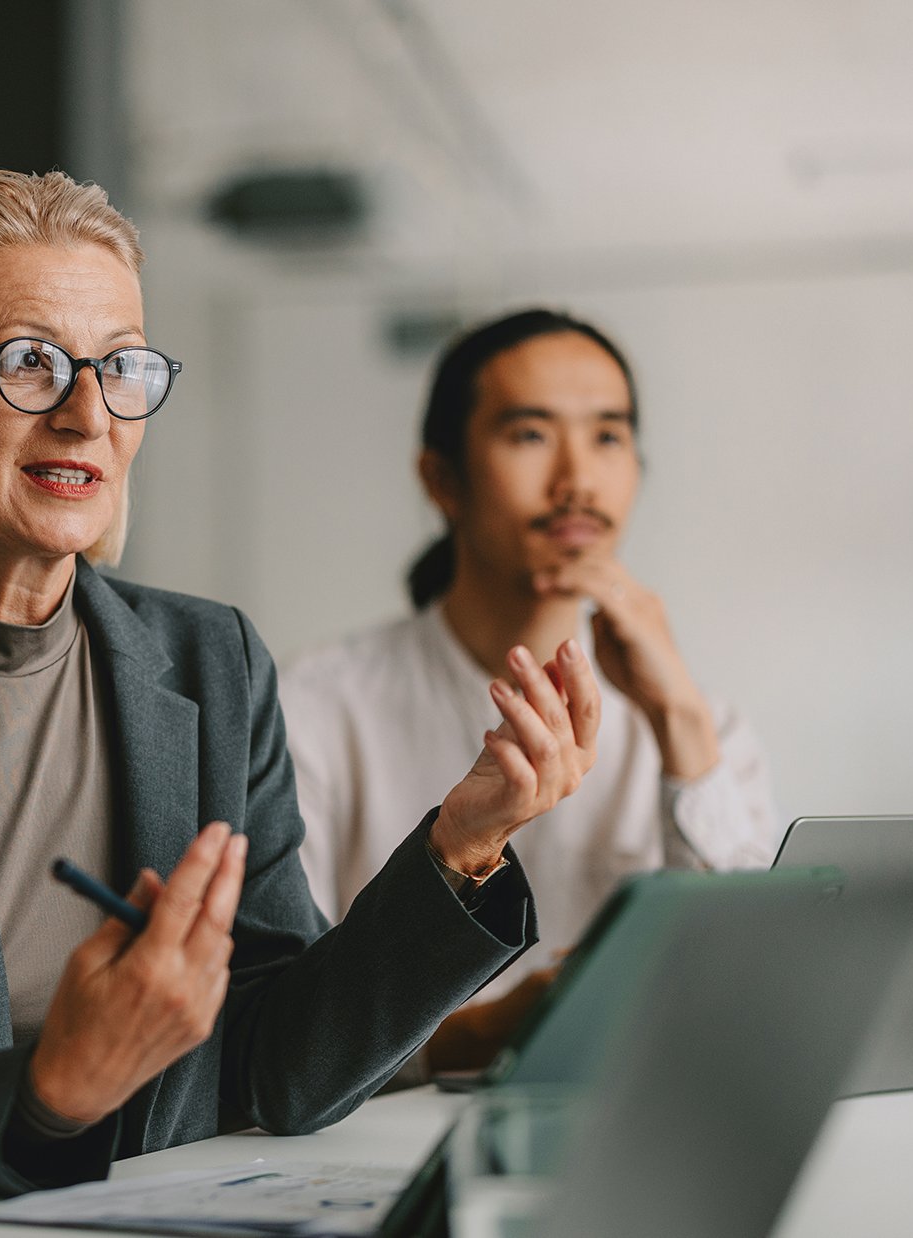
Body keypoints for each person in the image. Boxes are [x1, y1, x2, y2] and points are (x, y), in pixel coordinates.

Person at [0, 170, 603, 1224]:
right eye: (29, 362)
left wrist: (462, 844)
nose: (87, 414)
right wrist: (54, 1087)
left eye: (120, 366)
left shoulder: (210, 658)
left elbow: (280, 1060)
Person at [281, 308, 779, 1069]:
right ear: (441, 478)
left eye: (608, 436)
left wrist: (678, 717)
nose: (578, 481)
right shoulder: (313, 706)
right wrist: (485, 1031)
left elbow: (751, 990)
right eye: (531, 435)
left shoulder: (701, 724)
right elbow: (282, 1026)